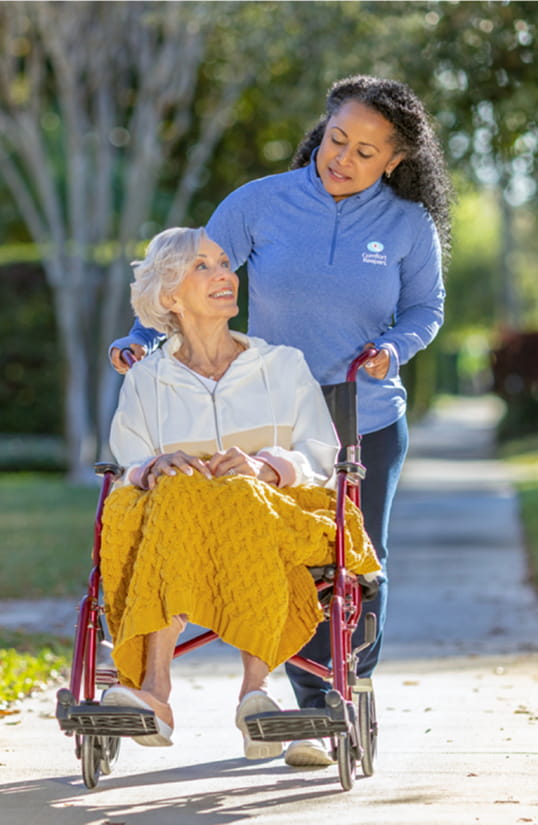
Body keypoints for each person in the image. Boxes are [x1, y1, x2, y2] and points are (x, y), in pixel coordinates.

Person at [109, 74, 452, 766]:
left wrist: (394, 347)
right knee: (281, 547)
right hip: (265, 408)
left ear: (394, 160)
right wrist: (144, 339)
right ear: (321, 131)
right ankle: (308, 711)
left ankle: (344, 682)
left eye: (365, 152)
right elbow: (192, 273)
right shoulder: (259, 203)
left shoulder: (407, 226)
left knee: (354, 559)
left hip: (361, 412)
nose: (342, 158)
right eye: (336, 139)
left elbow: (425, 309)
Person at [100, 226, 380, 760]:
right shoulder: (147, 380)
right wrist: (155, 465)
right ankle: (155, 691)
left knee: (240, 493)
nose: (224, 275)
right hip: (179, 525)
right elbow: (127, 464)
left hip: (277, 514)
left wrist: (266, 467)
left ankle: (256, 690)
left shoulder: (283, 365)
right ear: (170, 297)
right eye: (202, 266)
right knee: (179, 485)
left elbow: (323, 454)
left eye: (225, 263)